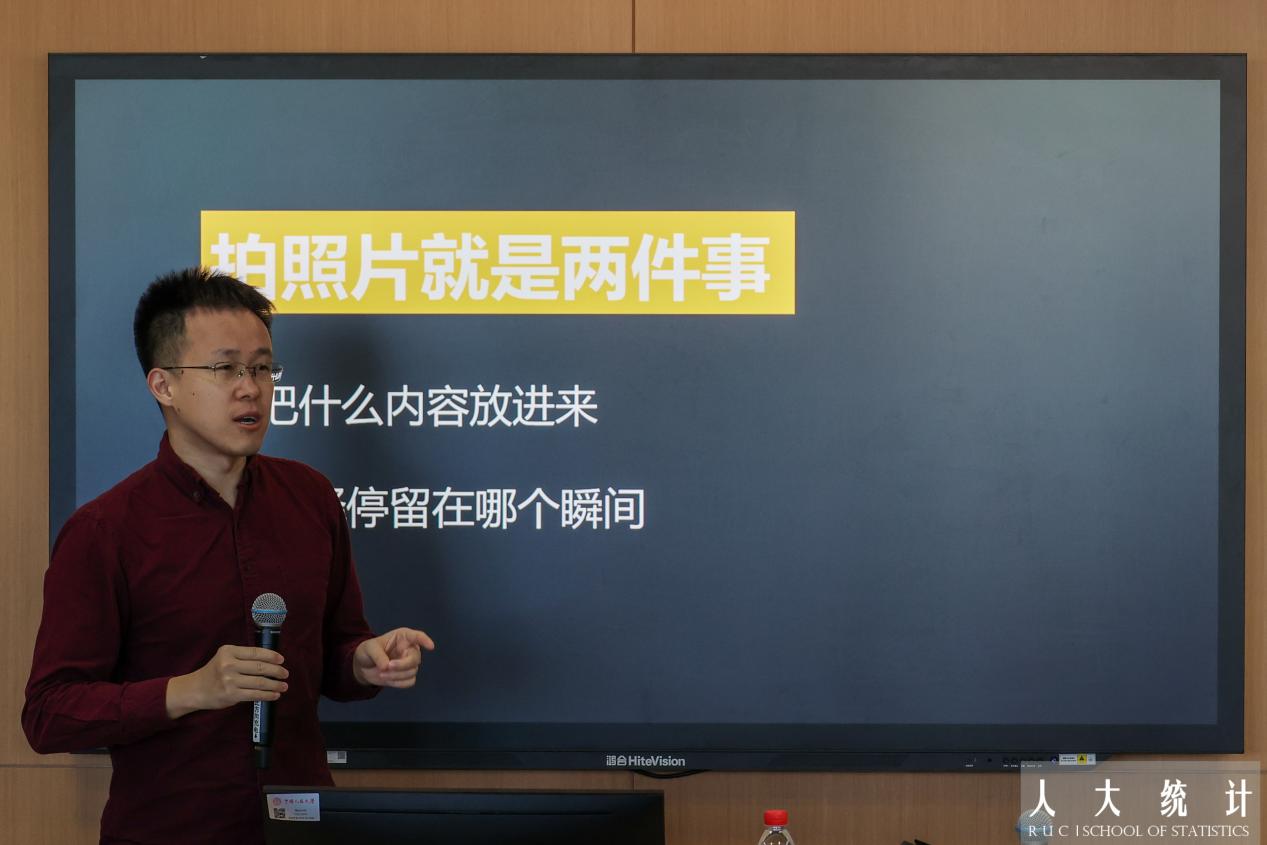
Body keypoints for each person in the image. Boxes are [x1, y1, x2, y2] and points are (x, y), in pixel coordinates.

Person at [23, 267, 435, 844]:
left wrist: (364, 663)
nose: (251, 388)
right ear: (163, 385)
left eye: (263, 368)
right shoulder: (105, 531)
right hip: (171, 830)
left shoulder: (310, 497)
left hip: (302, 826)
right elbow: (50, 713)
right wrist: (190, 689)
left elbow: (337, 650)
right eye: (225, 369)